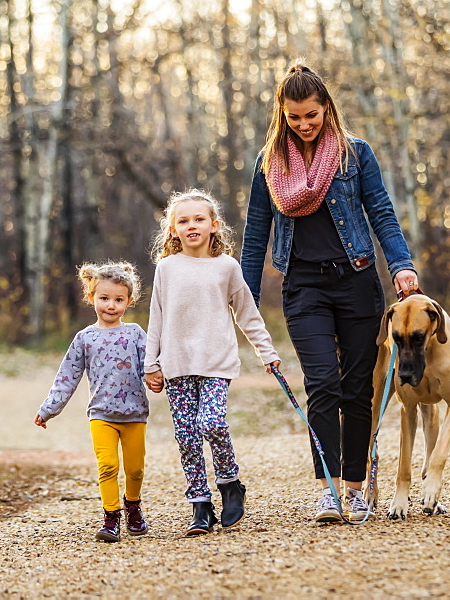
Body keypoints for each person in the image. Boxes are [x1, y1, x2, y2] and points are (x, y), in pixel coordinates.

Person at [240, 62, 419, 523]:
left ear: (326, 108)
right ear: (282, 114)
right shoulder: (268, 164)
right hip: (303, 286)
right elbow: (256, 233)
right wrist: (244, 296)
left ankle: (356, 489)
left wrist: (401, 266)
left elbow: (382, 213)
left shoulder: (354, 155)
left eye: (312, 115)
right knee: (322, 383)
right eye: (294, 117)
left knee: (358, 388)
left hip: (357, 281)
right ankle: (328, 490)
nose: (304, 125)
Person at [144, 189, 281, 536]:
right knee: (187, 436)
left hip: (216, 362)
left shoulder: (227, 267)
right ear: (172, 229)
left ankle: (230, 482)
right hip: (176, 364)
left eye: (199, 219)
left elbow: (247, 315)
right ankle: (200, 505)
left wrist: (267, 351)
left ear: (214, 226)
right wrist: (151, 364)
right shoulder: (167, 268)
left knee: (213, 423)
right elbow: (156, 318)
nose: (192, 226)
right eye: (184, 221)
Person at [34, 262, 149, 543]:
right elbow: (67, 376)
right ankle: (111, 517)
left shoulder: (134, 333)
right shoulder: (85, 338)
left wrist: (161, 381)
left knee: (135, 469)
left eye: (119, 300)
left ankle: (132, 504)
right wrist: (49, 409)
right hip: (101, 415)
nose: (111, 305)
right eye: (104, 298)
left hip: (134, 413)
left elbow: (151, 367)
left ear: (129, 302)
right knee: (107, 465)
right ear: (91, 298)